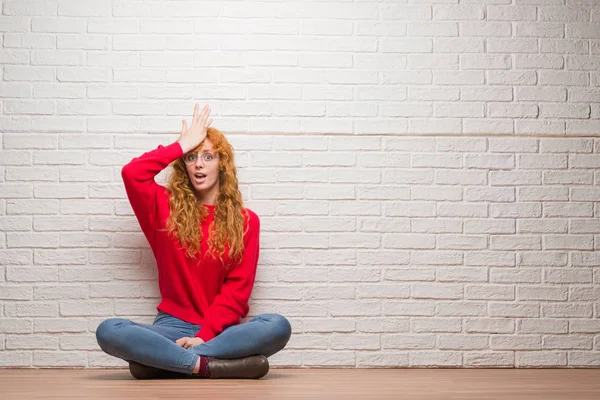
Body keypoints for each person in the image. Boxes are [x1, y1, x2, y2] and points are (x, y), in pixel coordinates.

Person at [95, 104, 292, 379]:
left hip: (221, 331)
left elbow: (237, 292)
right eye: (191, 157)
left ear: (222, 164)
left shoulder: (247, 222)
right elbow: (132, 173)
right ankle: (207, 366)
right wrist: (180, 144)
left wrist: (204, 337)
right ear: (183, 164)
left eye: (208, 156)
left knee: (277, 325)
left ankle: (165, 361)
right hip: (171, 327)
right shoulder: (164, 208)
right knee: (109, 330)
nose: (199, 164)